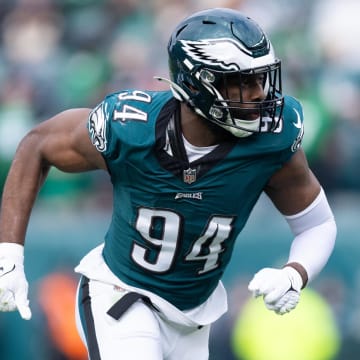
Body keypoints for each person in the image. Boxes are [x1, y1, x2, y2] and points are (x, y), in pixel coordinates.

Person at [0, 8, 336, 360]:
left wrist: (294, 274)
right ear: (198, 83)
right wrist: (9, 254)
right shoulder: (131, 127)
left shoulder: (272, 138)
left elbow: (317, 223)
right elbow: (37, 145)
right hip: (123, 295)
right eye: (243, 81)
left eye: (260, 78)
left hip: (193, 318)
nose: (258, 93)